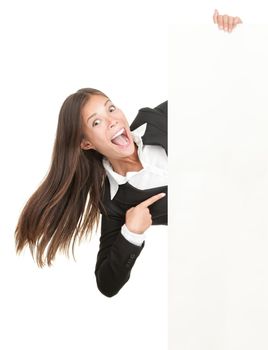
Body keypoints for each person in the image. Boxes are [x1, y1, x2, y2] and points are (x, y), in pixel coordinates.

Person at [15, 88, 168, 297]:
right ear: (86, 143)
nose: (112, 120)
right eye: (96, 122)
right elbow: (107, 284)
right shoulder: (115, 203)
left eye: (111, 109)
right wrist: (131, 233)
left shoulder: (155, 119)